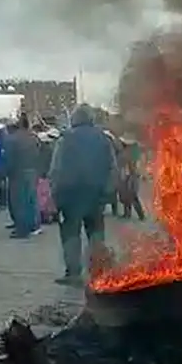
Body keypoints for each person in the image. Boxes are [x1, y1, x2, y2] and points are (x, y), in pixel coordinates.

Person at [49, 104, 118, 286]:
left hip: (70, 193)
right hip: (96, 192)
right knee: (95, 232)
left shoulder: (65, 139)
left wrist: (54, 193)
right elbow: (112, 167)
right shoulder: (104, 139)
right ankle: (99, 271)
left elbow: (56, 168)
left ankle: (73, 273)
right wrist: (108, 191)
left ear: (74, 119)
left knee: (71, 233)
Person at [4, 113, 42, 238]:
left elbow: (8, 158)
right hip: (32, 171)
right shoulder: (33, 137)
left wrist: (6, 172)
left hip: (17, 173)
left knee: (19, 202)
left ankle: (22, 229)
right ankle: (34, 225)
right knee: (31, 200)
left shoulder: (12, 139)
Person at [117, 138, 146, 220]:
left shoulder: (127, 154)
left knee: (131, 196)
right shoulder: (134, 153)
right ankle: (129, 214)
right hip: (130, 177)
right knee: (128, 196)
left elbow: (130, 167)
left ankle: (139, 215)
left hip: (130, 178)